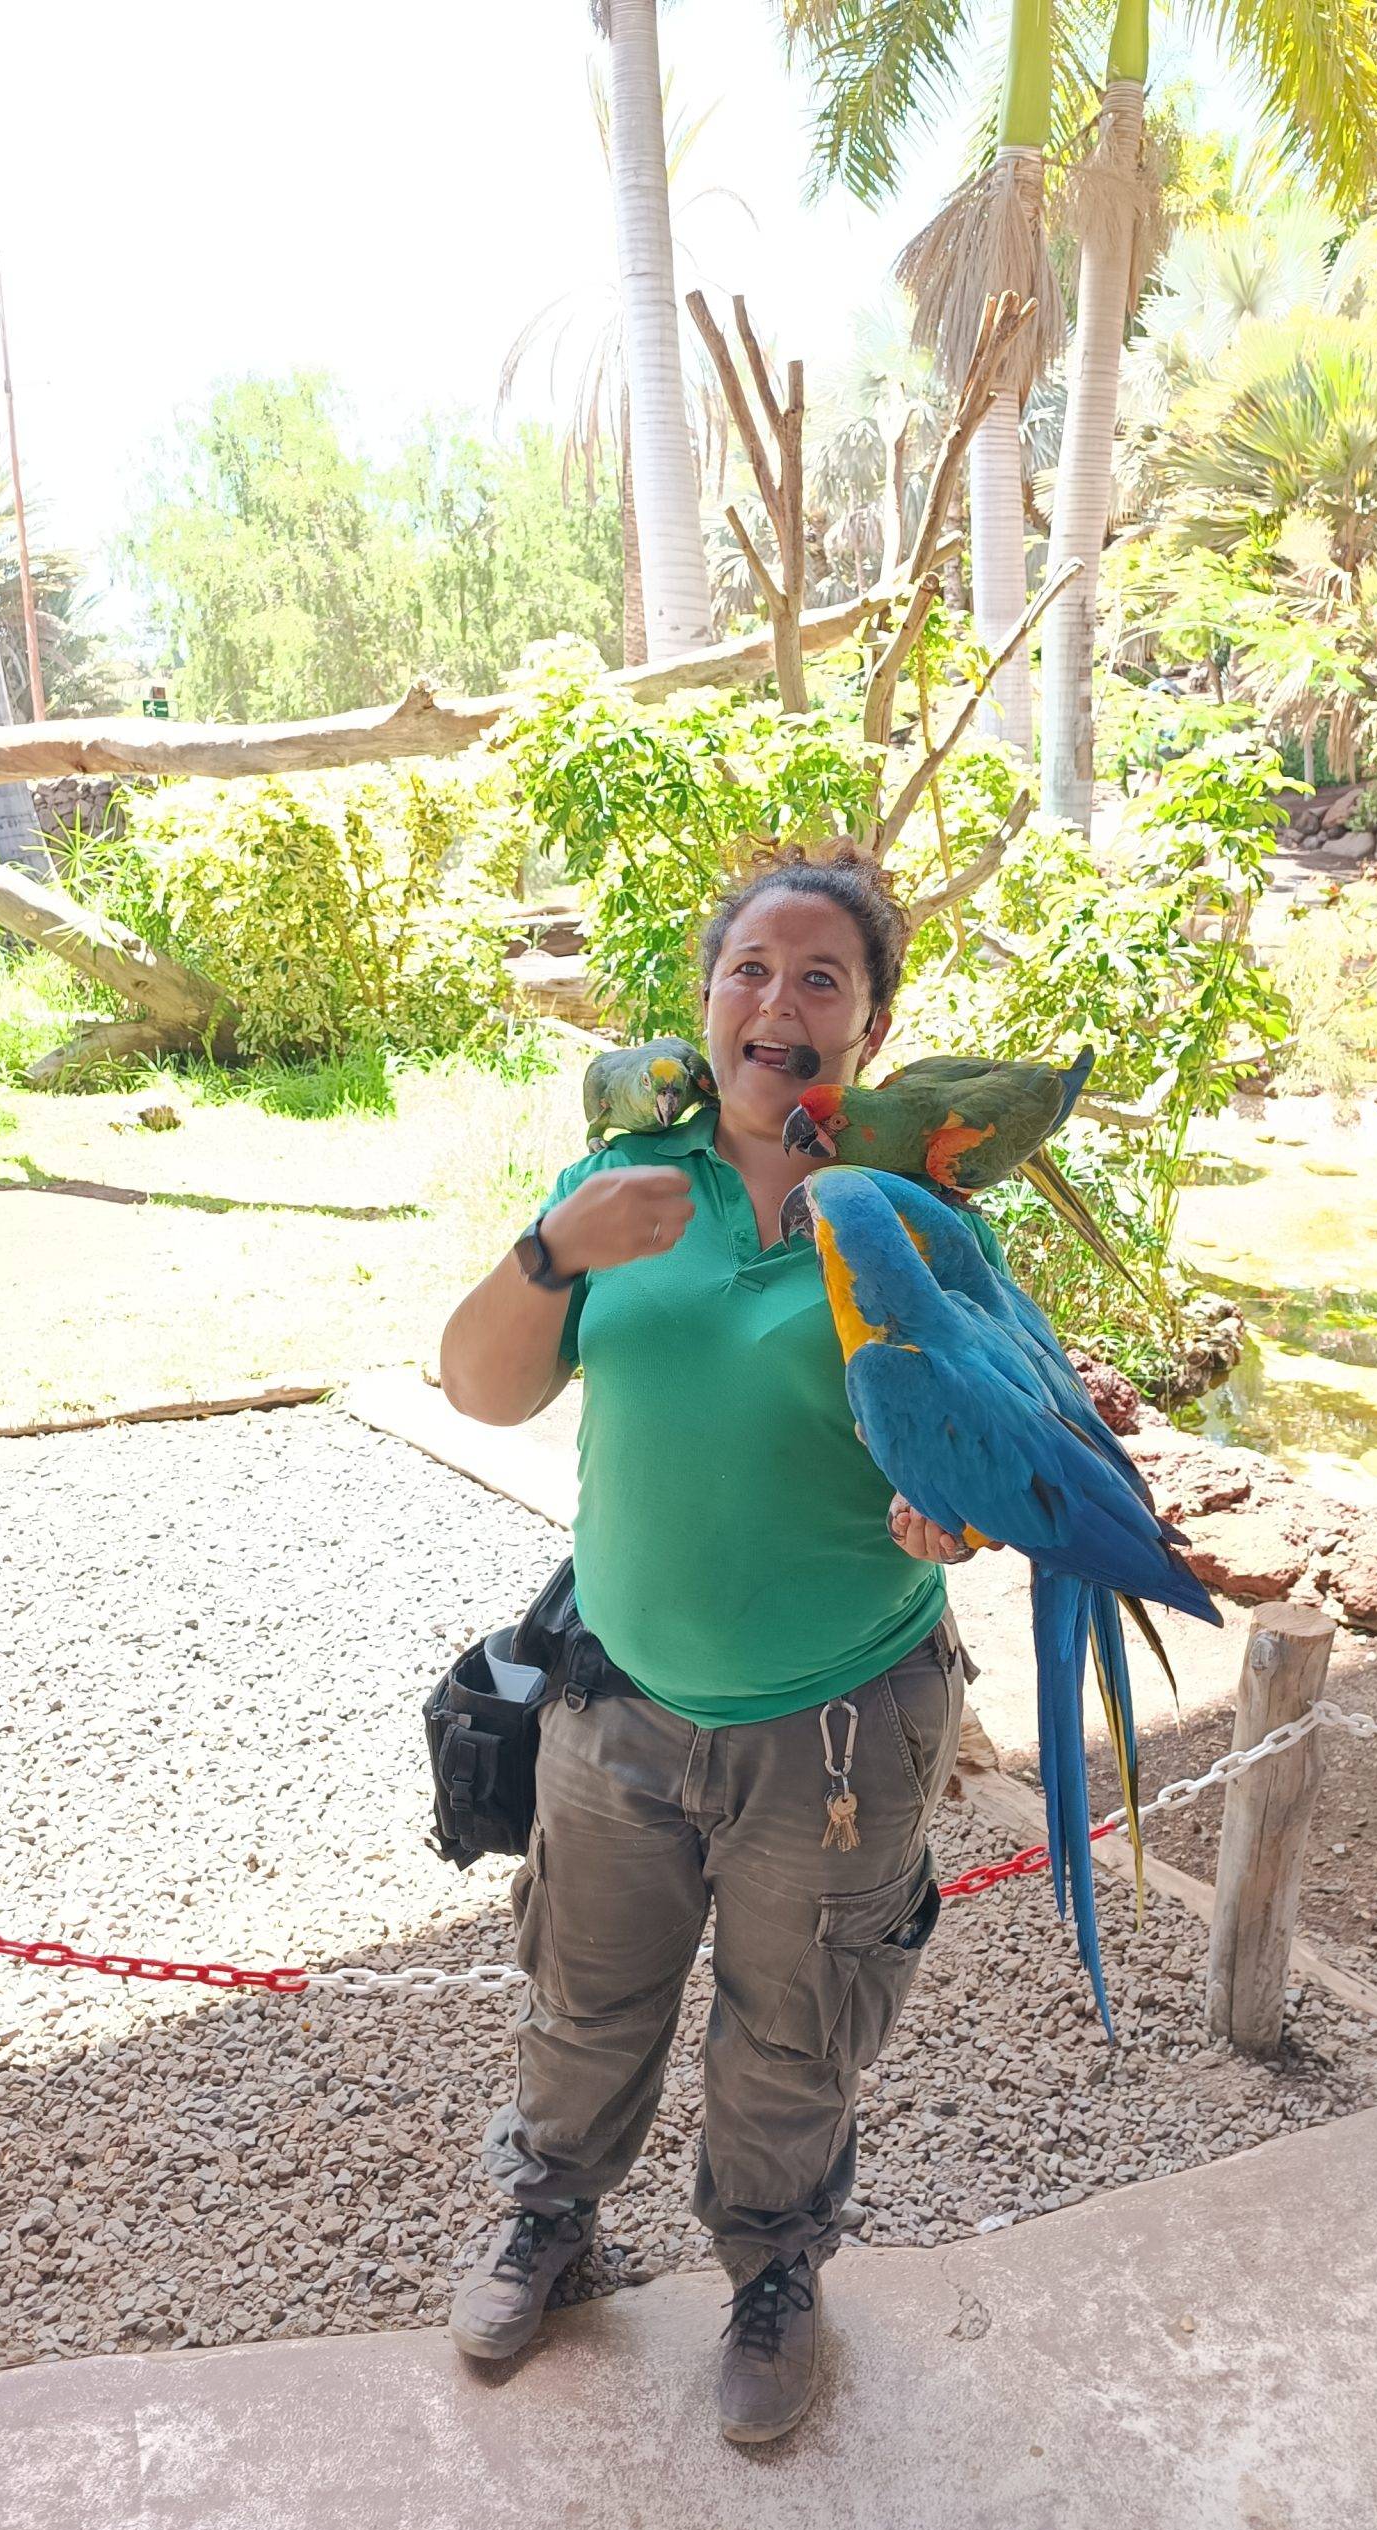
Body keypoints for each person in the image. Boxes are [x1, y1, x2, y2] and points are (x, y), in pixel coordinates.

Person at [437, 851, 1008, 2444]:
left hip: (839, 1726)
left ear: (868, 1032)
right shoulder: (623, 1189)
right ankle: (550, 2224)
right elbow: (479, 1388)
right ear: (707, 1004)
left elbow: (990, 1439)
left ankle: (772, 2270)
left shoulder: (914, 1222)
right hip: (618, 1707)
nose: (781, 1002)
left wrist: (952, 1512)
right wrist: (553, 1257)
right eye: (752, 969)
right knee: (586, 1997)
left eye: (823, 979)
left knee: (796, 2021)